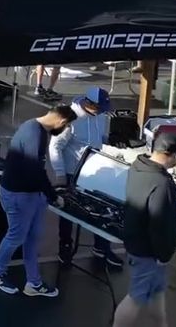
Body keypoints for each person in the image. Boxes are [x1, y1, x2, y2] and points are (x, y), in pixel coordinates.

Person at [0, 105, 77, 297]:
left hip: (33, 194)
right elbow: (34, 170)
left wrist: (45, 194)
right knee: (16, 236)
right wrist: (53, 196)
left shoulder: (40, 131)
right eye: (67, 125)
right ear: (62, 122)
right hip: (18, 194)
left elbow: (37, 169)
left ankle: (33, 283)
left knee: (33, 237)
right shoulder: (33, 133)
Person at [113, 134, 176, 327]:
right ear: (170, 155)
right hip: (149, 251)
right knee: (136, 297)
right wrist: (164, 254)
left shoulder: (138, 168)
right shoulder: (162, 182)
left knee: (157, 291)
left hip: (136, 241)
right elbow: (160, 222)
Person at [51, 87, 121, 266]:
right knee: (68, 211)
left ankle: (101, 247)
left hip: (94, 173)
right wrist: (60, 175)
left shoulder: (100, 115)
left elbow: (97, 137)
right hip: (71, 173)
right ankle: (65, 246)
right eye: (99, 108)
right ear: (88, 104)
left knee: (102, 208)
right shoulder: (69, 119)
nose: (102, 112)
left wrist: (111, 139)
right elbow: (55, 147)